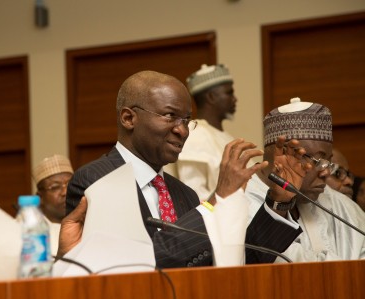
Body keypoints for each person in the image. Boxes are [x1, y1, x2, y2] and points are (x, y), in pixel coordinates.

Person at [65, 70, 304, 269]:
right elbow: (141, 263)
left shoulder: (184, 194)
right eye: (170, 116)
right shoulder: (97, 179)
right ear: (129, 118)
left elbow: (231, 265)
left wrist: (277, 203)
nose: (183, 130)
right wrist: (215, 202)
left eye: (187, 120)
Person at [246, 97, 365, 262]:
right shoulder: (241, 202)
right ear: (283, 156)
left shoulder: (340, 205)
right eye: (317, 160)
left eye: (328, 162)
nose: (325, 172)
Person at [165, 64, 237, 200]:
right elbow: (195, 196)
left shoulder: (227, 137)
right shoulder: (195, 134)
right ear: (211, 97)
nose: (235, 98)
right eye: (229, 93)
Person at [33, 154, 74, 255]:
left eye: (70, 184)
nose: (65, 192)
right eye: (55, 187)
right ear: (40, 197)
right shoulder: (33, 232)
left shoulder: (89, 221)